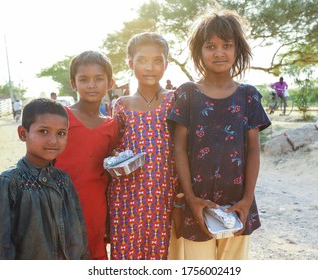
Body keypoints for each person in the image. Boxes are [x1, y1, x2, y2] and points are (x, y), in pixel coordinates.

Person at [167, 9, 271, 260]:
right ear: (199, 52)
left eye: (226, 45)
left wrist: (246, 200)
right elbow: (179, 148)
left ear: (237, 50)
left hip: (237, 204)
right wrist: (191, 199)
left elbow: (254, 151)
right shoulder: (187, 93)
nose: (219, 52)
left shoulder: (248, 95)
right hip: (197, 204)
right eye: (210, 46)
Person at [0, 98, 89, 260]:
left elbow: (79, 232)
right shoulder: (9, 182)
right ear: (23, 133)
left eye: (61, 133)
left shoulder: (63, 180)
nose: (53, 140)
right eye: (43, 131)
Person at [109, 32, 177, 260]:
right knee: (127, 257)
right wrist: (117, 158)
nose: (150, 67)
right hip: (127, 195)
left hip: (164, 193)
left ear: (166, 64)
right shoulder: (121, 105)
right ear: (131, 63)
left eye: (157, 60)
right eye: (142, 60)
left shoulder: (175, 100)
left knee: (162, 255)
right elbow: (115, 147)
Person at [54, 51, 118, 260]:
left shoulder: (112, 125)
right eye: (84, 79)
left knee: (94, 253)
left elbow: (109, 167)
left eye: (99, 79)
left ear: (110, 83)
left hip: (96, 206)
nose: (91, 85)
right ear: (73, 83)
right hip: (62, 204)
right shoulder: (61, 117)